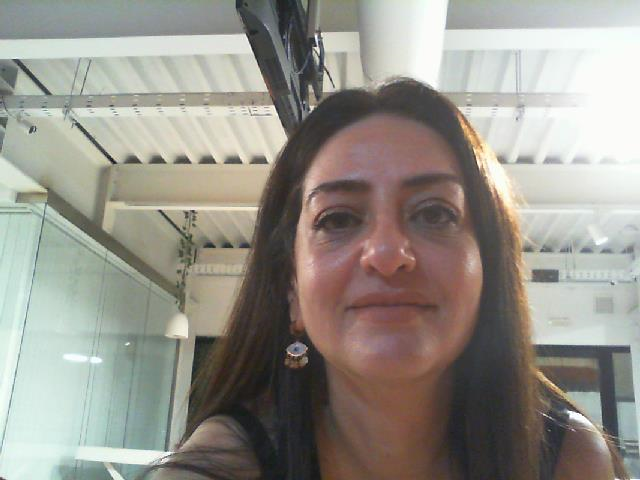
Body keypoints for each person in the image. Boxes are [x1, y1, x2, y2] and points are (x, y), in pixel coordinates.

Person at [145, 79, 628, 480]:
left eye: (435, 213)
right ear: (292, 289)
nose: (387, 253)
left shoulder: (569, 460)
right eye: (337, 219)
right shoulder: (219, 467)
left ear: (488, 266)